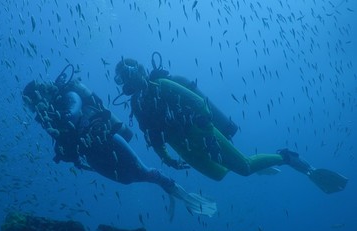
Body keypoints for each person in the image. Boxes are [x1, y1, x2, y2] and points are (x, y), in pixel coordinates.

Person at [113, 52, 348, 194]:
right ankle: (252, 163)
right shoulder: (137, 105)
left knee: (244, 168)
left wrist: (208, 136)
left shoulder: (163, 85)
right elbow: (152, 135)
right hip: (182, 145)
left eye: (129, 72)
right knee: (218, 174)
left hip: (199, 132)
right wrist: (168, 159)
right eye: (122, 77)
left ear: (139, 70)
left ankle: (286, 157)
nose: (128, 79)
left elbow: (199, 104)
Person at [22, 64, 217, 218]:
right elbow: (65, 142)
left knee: (142, 171)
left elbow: (72, 113)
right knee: (127, 179)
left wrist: (59, 121)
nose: (36, 107)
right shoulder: (49, 117)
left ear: (42, 93)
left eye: (34, 101)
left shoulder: (68, 96)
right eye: (32, 105)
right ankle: (170, 188)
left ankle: (178, 191)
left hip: (105, 138)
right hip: (91, 154)